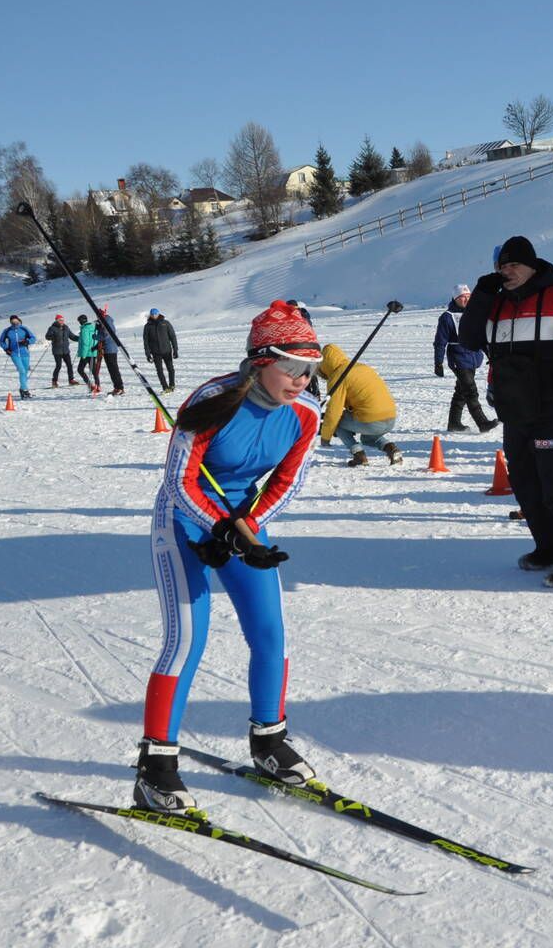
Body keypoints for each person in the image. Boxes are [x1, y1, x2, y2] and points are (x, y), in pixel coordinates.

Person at [135, 300, 324, 813]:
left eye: (310, 370)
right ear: (262, 361)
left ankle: (269, 741)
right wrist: (217, 526)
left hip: (241, 520)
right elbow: (177, 481)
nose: (302, 380)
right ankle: (156, 769)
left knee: (270, 633)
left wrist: (247, 530)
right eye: (292, 368)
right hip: (181, 520)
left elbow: (288, 481)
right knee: (186, 641)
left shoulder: (305, 414)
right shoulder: (213, 400)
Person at [460, 236, 553, 588]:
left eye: (514, 265)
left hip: (551, 410)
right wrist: (482, 295)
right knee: (526, 485)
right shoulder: (495, 305)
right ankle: (548, 548)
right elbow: (468, 339)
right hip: (514, 412)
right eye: (502, 266)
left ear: (532, 265)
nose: (507, 271)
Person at [317, 343, 401, 465]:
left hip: (371, 421)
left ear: (323, 365)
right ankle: (391, 449)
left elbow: (334, 412)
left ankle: (359, 456)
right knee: (367, 438)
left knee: (337, 423)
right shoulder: (361, 367)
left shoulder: (338, 377)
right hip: (390, 417)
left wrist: (325, 438)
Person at [434, 283, 497, 432]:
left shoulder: (474, 314)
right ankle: (482, 423)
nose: (466, 300)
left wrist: (490, 355)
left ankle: (454, 423)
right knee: (470, 391)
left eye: (468, 297)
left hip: (473, 358)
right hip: (458, 358)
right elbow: (440, 342)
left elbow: (480, 338)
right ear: (455, 298)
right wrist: (438, 362)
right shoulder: (447, 317)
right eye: (462, 297)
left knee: (461, 392)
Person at [0, 314, 36, 400]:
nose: (14, 322)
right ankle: (25, 390)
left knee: (25, 371)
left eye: (16, 321)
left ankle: (22, 389)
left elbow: (33, 338)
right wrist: (6, 349)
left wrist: (27, 342)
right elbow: (1, 341)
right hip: (14, 354)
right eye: (12, 321)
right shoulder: (7, 331)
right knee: (22, 371)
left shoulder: (24, 329)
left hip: (25, 353)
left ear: (19, 320)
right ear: (10, 322)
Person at [143, 308, 179, 392]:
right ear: (151, 315)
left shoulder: (165, 323)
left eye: (156, 314)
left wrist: (175, 350)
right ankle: (165, 387)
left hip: (167, 350)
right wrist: (148, 354)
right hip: (155, 352)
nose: (154, 316)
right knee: (159, 371)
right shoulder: (147, 326)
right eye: (153, 314)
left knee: (170, 369)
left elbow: (172, 337)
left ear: (158, 314)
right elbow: (146, 342)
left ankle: (172, 385)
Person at [43, 314, 79, 387]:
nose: (62, 321)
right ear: (56, 320)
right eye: (60, 320)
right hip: (57, 351)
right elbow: (47, 337)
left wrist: (80, 338)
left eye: (62, 320)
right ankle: (54, 381)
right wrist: (52, 336)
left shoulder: (66, 328)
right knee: (58, 366)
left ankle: (71, 380)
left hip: (66, 350)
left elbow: (72, 336)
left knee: (69, 365)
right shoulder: (52, 328)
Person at [97, 309, 125, 394]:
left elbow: (106, 335)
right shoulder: (106, 321)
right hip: (108, 349)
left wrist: (97, 335)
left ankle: (119, 387)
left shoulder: (107, 322)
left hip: (110, 349)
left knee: (113, 369)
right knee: (112, 369)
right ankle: (117, 387)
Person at [75, 314, 100, 391]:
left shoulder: (85, 329)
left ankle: (91, 386)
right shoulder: (93, 327)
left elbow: (86, 343)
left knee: (80, 369)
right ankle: (97, 385)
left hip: (87, 353)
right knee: (93, 370)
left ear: (81, 321)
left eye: (79, 321)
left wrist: (84, 355)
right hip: (94, 352)